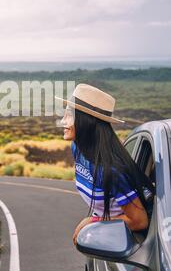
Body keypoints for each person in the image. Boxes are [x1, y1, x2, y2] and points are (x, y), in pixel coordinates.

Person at [55, 83, 155, 245]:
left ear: (86, 122)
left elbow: (140, 221)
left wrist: (93, 221)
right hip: (107, 232)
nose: (62, 122)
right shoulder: (78, 148)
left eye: (68, 116)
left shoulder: (112, 171)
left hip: (130, 243)